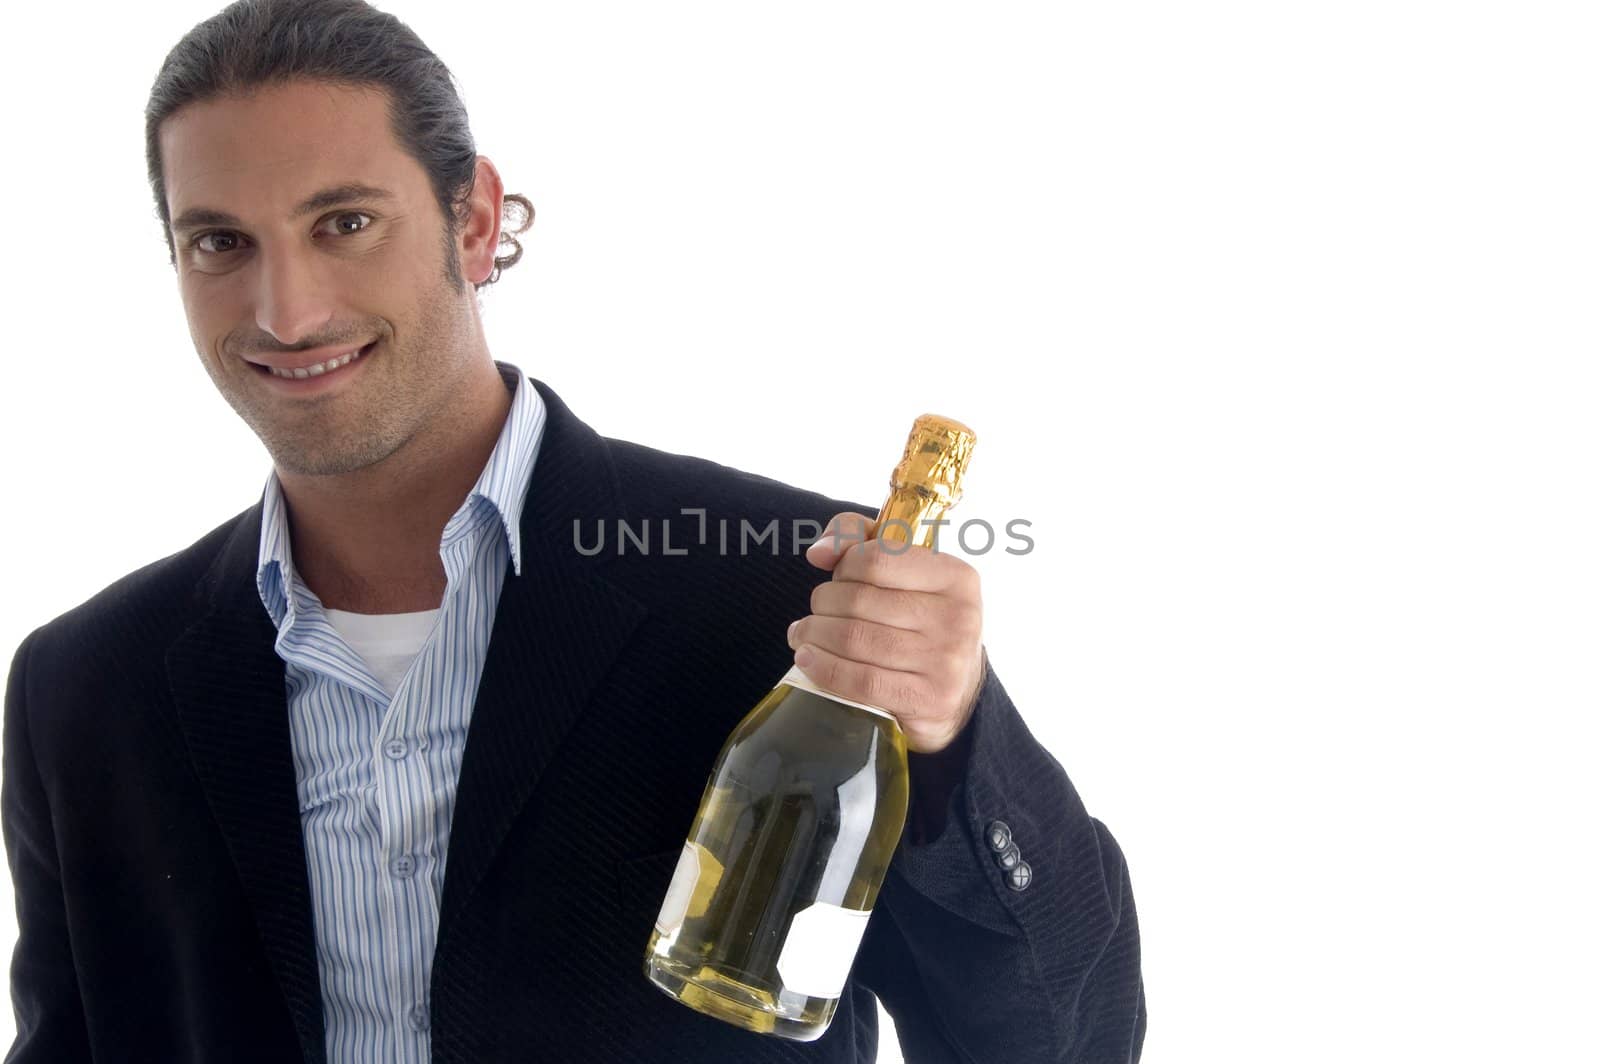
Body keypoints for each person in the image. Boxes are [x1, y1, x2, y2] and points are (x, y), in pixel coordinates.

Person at [1, 0, 1147, 1060]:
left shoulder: (790, 597)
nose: (284, 310)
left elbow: (1068, 1038)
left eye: (343, 222)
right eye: (219, 243)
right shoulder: (83, 687)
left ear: (475, 219)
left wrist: (953, 735)